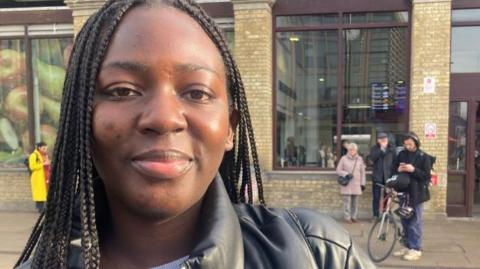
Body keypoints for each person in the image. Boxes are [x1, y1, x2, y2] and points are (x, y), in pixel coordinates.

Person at [15, 1, 374, 268]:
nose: (165, 118)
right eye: (123, 90)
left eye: (197, 92)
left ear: (231, 127)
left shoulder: (317, 253)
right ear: (82, 119)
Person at [392, 132, 431, 261]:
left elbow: (426, 176)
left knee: (415, 222)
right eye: (405, 143)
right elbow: (393, 169)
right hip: (404, 193)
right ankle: (407, 246)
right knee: (404, 220)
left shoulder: (423, 156)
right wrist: (398, 169)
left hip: (417, 194)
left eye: (410, 143)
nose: (407, 146)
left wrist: (413, 170)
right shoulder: (401, 154)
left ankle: (415, 248)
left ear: (416, 142)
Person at [336, 142, 366, 224]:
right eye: (350, 149)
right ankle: (347, 217)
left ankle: (354, 216)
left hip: (356, 184)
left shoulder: (360, 159)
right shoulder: (343, 158)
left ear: (356, 150)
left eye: (353, 150)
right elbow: (338, 170)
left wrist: (363, 183)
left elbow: (362, 172)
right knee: (347, 202)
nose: (352, 151)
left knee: (355, 202)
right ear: (348, 150)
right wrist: (346, 174)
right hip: (347, 184)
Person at [368, 132, 395, 219]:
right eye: (381, 139)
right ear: (378, 141)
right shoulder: (375, 148)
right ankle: (375, 214)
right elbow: (371, 159)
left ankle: (385, 214)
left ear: (387, 139)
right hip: (377, 176)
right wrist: (381, 149)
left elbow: (395, 162)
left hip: (388, 177)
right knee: (376, 197)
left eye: (384, 139)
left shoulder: (391, 149)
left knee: (387, 197)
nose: (383, 141)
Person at [28, 142, 49, 213]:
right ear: (39, 148)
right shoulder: (34, 155)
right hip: (37, 178)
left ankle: (43, 208)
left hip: (44, 177)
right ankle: (40, 209)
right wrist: (43, 164)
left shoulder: (45, 155)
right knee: (39, 194)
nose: (45, 150)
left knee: (43, 193)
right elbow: (32, 166)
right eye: (44, 148)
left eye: (46, 148)